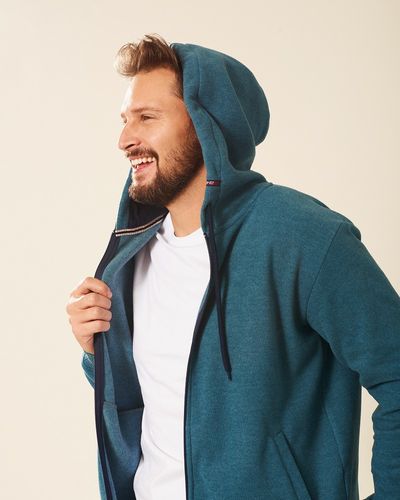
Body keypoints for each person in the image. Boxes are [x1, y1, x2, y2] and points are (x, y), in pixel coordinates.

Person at [66, 34, 400, 500]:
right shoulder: (129, 257)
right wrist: (97, 354)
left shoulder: (303, 236)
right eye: (125, 120)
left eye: (147, 118)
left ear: (206, 125)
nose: (125, 140)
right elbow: (157, 400)